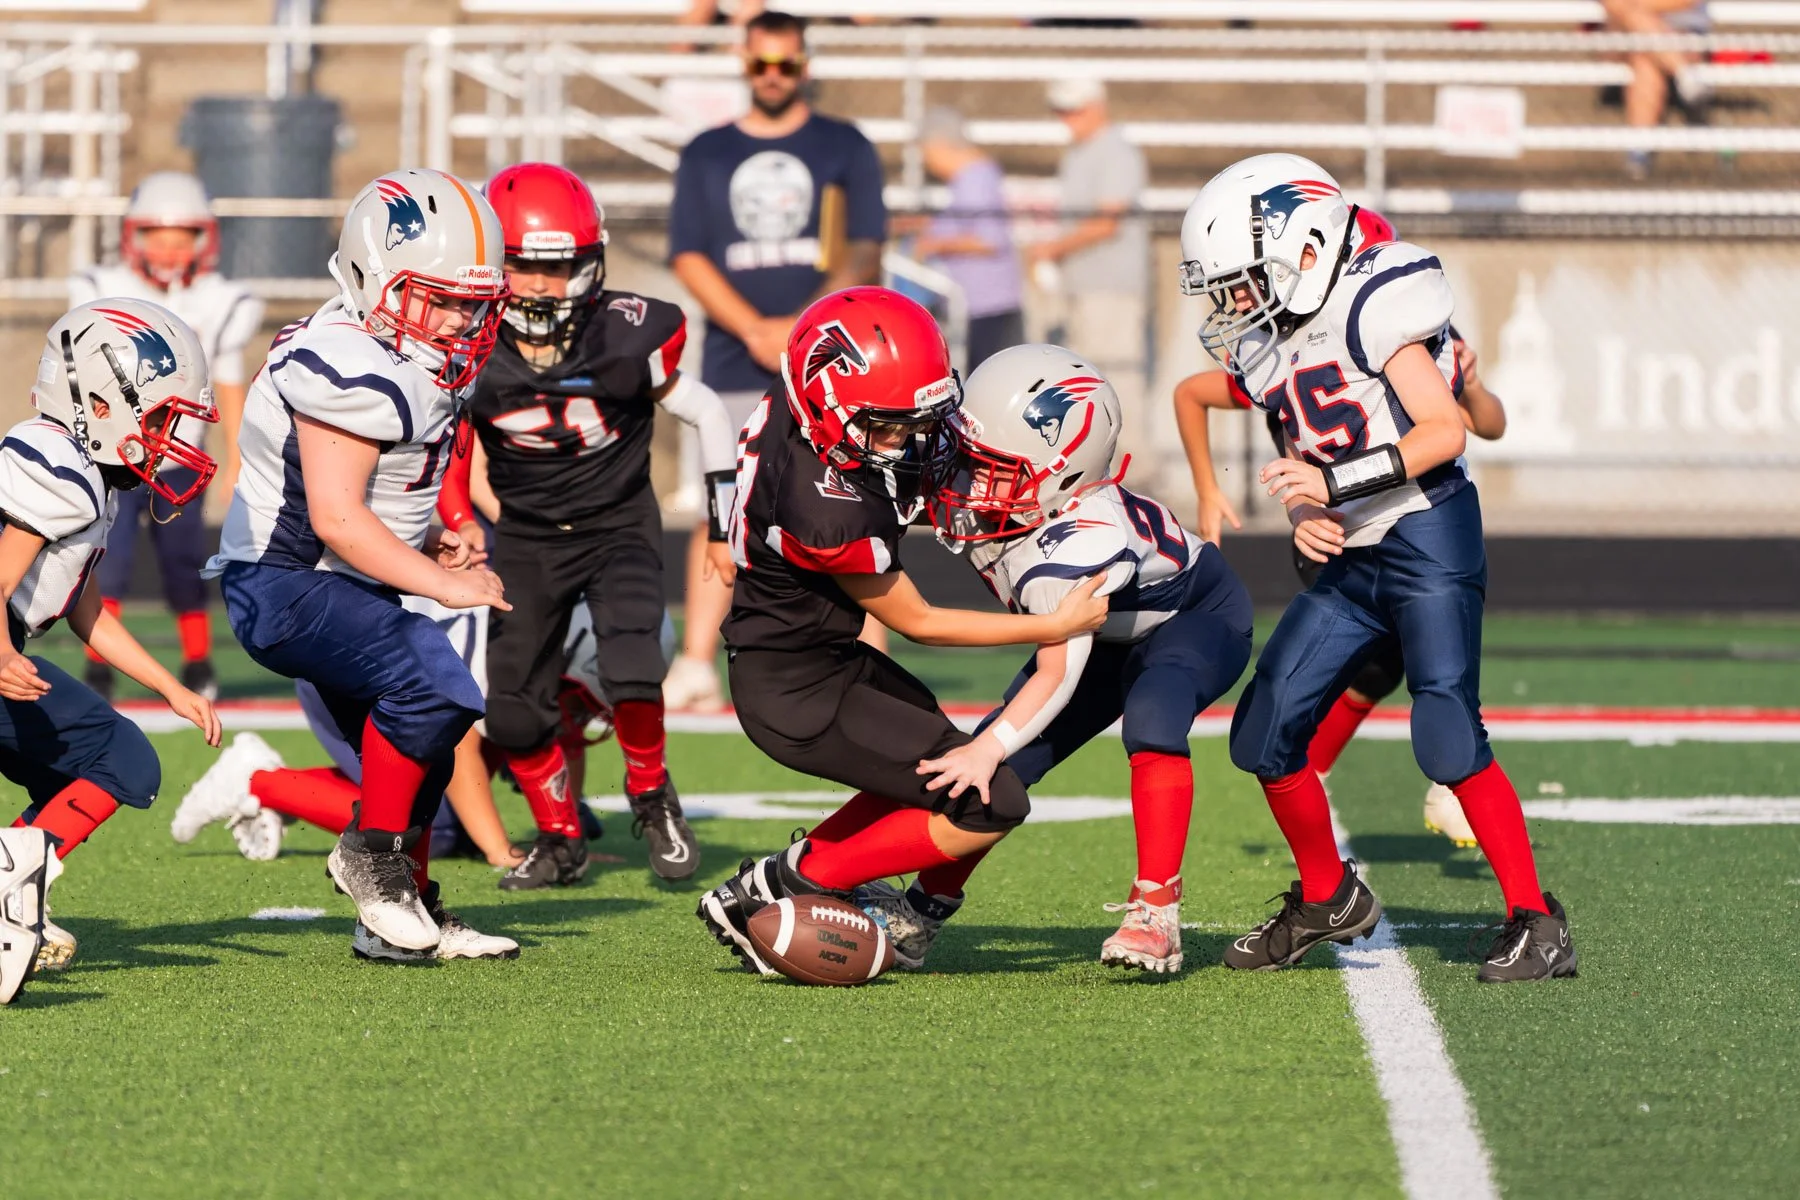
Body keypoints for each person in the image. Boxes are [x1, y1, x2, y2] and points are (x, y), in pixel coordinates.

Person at [1180, 153, 1575, 983]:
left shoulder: (1370, 302)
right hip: (1353, 555)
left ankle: (1537, 921)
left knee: (1447, 735)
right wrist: (1305, 509)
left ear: (1307, 249)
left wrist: (1330, 486)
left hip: (1427, 533)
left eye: (1246, 281)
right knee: (1264, 731)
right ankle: (1327, 897)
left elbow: (1445, 431)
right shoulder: (1270, 342)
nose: (1236, 302)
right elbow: (1301, 442)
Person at [694, 288, 1109, 976]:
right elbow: (921, 623)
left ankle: (780, 881)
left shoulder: (801, 405)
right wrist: (1053, 623)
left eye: (914, 422)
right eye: (886, 427)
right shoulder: (823, 510)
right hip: (798, 692)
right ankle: (790, 883)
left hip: (821, 659)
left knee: (938, 773)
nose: (905, 442)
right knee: (989, 800)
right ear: (829, 404)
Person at [204, 168, 517, 964]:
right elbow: (337, 518)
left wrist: (434, 534)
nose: (459, 320)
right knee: (435, 682)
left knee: (431, 741)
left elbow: (384, 487)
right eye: (438, 298)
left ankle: (402, 916)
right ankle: (369, 857)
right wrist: (446, 584)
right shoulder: (344, 360)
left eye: (472, 302)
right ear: (373, 275)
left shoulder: (402, 349)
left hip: (342, 580)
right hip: (285, 584)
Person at [884, 343, 1252, 973]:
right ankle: (924, 907)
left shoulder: (1083, 538)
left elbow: (1060, 673)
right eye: (965, 455)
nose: (965, 479)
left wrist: (988, 745)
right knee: (998, 768)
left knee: (1151, 717)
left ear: (1060, 473)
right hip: (1098, 632)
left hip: (1192, 619)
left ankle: (1156, 910)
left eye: (987, 466)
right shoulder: (1007, 495)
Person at [1171, 207, 1509, 848]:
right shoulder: (1284, 335)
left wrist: (1467, 382)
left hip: (1405, 511)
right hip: (1332, 522)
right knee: (1386, 657)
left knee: (1397, 663)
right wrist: (1210, 490)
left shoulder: (1388, 325)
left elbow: (1485, 423)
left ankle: (1362, 772)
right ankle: (1340, 773)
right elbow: (1194, 393)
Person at [437, 162, 726, 888]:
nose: (540, 285)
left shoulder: (625, 334)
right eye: (523, 266)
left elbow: (706, 409)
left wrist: (723, 524)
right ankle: (560, 838)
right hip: (528, 536)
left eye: (557, 266)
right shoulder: (464, 343)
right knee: (509, 710)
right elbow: (448, 441)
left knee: (633, 666)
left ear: (589, 263)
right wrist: (456, 516)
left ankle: (652, 795)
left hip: (618, 525)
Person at [666, 9, 888, 712]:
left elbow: (864, 246)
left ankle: (874, 667)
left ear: (804, 66)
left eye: (785, 64)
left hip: (833, 361)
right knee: (722, 507)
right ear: (743, 61)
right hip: (735, 358)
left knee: (855, 509)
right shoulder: (707, 152)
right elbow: (688, 254)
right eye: (761, 63)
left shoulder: (843, 144)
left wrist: (801, 326)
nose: (772, 76)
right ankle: (697, 663)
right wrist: (755, 328)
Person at [1, 298, 222, 980]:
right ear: (98, 404)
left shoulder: (89, 478)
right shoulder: (57, 464)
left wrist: (170, 687)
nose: (167, 437)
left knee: (114, 759)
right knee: (116, 755)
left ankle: (11, 885)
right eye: (159, 418)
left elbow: (85, 610)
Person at [171, 600, 616, 873]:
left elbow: (563, 736)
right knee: (434, 827)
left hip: (398, 684)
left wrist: (563, 839)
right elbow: (461, 747)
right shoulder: (505, 650)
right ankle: (259, 781)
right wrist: (500, 851)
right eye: (580, 703)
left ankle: (286, 787)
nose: (580, 718)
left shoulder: (548, 638)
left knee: (459, 819)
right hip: (349, 680)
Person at [70, 172, 265, 703]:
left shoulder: (219, 299)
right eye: (157, 237)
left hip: (180, 456)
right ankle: (98, 668)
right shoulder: (99, 287)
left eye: (181, 239)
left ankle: (198, 662)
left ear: (203, 240)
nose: (169, 251)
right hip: (113, 455)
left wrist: (238, 459)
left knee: (184, 565)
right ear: (134, 236)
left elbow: (227, 380)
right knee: (106, 561)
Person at [1026, 79, 1151, 477]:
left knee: (1118, 381)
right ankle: (1096, 474)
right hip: (1084, 286)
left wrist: (1054, 249)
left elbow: (1107, 222)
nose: (1067, 119)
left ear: (1098, 106)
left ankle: (1136, 475)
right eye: (1062, 111)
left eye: (1074, 110)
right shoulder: (1079, 155)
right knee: (1088, 386)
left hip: (1111, 288)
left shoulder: (1116, 152)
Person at [911, 106, 1024, 372]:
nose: (927, 162)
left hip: (988, 308)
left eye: (927, 153)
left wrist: (935, 244)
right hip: (979, 308)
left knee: (986, 381)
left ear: (940, 144)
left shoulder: (976, 179)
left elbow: (989, 239)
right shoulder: (970, 180)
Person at [1600, 0, 1712, 179]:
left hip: (1677, 35)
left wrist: (1635, 8)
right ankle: (1685, 75)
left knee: (1645, 58)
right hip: (1624, 35)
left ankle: (1639, 150)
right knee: (1635, 27)